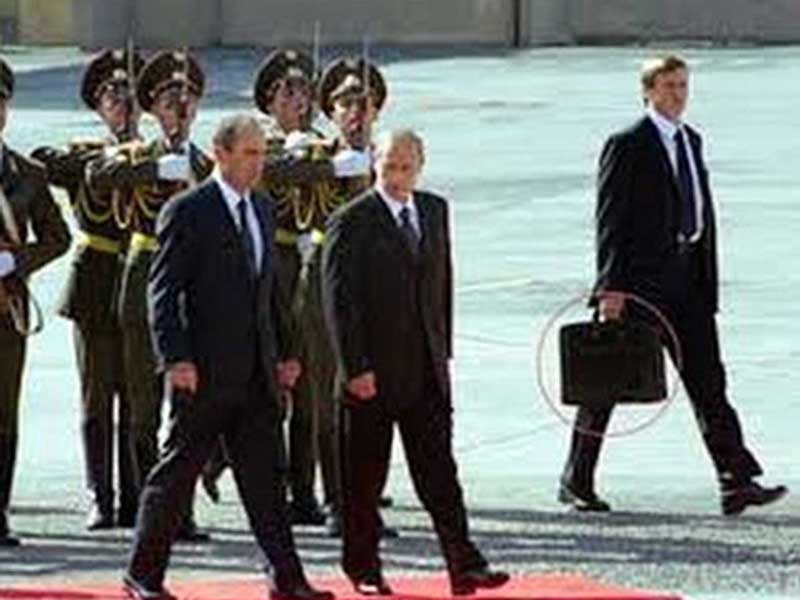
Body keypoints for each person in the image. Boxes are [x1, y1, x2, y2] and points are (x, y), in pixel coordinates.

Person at [558, 54, 788, 516]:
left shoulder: (691, 140)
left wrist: (706, 275)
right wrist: (610, 289)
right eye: (668, 86)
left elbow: (699, 209)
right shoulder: (628, 144)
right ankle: (576, 479)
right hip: (641, 286)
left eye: (683, 85)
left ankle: (735, 480)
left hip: (689, 282)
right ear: (648, 91)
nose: (678, 95)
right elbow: (611, 219)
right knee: (607, 384)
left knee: (709, 382)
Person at [123, 114, 332, 600]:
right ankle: (142, 575)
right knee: (177, 475)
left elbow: (270, 289)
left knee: (266, 479)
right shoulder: (187, 210)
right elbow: (163, 291)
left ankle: (286, 578)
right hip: (204, 371)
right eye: (249, 154)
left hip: (256, 371)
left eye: (262, 154)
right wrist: (175, 358)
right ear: (221, 153)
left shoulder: (261, 207)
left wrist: (287, 352)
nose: (259, 164)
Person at [321, 129, 510, 596]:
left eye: (406, 166)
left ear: (420, 167)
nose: (397, 175)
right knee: (364, 479)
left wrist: (442, 352)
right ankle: (363, 567)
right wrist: (355, 367)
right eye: (389, 165)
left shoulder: (433, 210)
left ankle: (464, 564)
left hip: (424, 370)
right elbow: (339, 302)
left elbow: (441, 283)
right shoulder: (352, 219)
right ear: (375, 163)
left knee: (440, 474)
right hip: (372, 373)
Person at [86, 49, 213, 539]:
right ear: (153, 109)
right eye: (168, 100)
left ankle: (181, 508)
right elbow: (98, 175)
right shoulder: (138, 155)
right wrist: (155, 169)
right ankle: (145, 503)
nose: (180, 108)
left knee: (188, 407)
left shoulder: (206, 162)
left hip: (193, 288)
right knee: (142, 407)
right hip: (144, 281)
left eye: (188, 99)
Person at [32, 48, 144, 530]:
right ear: (98, 107)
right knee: (97, 396)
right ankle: (100, 494)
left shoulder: (155, 157)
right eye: (113, 98)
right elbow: (43, 162)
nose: (123, 106)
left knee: (136, 395)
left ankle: (135, 495)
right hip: (95, 281)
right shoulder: (86, 152)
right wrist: (104, 159)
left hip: (137, 280)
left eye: (130, 97)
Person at [0, 57, 71, 546]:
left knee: (4, 413)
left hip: (7, 309)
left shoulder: (27, 173)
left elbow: (58, 237)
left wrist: (15, 261)